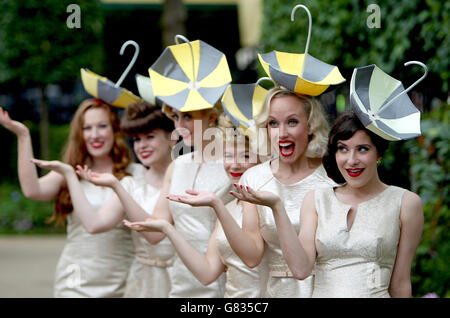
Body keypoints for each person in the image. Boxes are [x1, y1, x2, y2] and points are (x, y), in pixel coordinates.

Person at [234, 111, 424, 297]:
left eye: (362, 149)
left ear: (379, 153)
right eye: (343, 148)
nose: (351, 160)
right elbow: (300, 270)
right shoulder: (316, 200)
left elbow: (400, 283)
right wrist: (277, 207)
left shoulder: (406, 203)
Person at [31, 101, 176, 297]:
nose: (142, 146)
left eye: (149, 137)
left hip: (178, 274)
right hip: (138, 278)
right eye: (136, 139)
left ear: (173, 138)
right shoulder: (131, 183)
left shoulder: (178, 175)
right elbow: (96, 224)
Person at [0, 99, 138, 297]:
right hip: (75, 281)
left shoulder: (133, 175)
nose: (95, 135)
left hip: (121, 281)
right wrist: (23, 135)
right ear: (79, 134)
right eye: (87, 128)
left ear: (115, 130)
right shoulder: (70, 171)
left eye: (102, 126)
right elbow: (32, 190)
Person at [208, 86, 337, 298]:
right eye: (273, 123)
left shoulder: (332, 177)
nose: (282, 133)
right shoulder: (255, 178)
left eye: (292, 121)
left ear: (310, 126)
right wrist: (216, 205)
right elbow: (252, 257)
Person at [125, 115, 269, 297]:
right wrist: (168, 229)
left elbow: (252, 257)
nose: (234, 163)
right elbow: (207, 273)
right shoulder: (230, 207)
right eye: (228, 155)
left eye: (245, 155)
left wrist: (217, 204)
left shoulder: (260, 200)